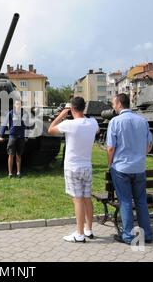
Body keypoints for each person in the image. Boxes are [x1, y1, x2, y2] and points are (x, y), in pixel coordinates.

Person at [48, 97, 99, 243]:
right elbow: (96, 131)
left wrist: (62, 114)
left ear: (72, 109)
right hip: (87, 166)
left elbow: (50, 130)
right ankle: (89, 230)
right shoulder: (93, 122)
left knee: (77, 200)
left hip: (72, 167)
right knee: (87, 198)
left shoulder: (68, 124)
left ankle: (79, 233)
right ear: (84, 108)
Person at [107, 93, 153, 245]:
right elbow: (149, 145)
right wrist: (140, 155)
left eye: (114, 103)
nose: (113, 106)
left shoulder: (115, 121)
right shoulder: (142, 120)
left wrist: (110, 164)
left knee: (126, 201)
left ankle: (128, 236)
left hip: (121, 168)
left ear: (119, 104)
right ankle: (146, 235)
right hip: (139, 168)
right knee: (141, 201)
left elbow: (110, 148)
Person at [0, 100, 29, 178]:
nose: (18, 105)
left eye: (19, 104)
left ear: (21, 105)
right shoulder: (10, 113)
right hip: (12, 136)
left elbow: (27, 126)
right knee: (11, 155)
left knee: (18, 155)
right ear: (14, 105)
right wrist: (1, 135)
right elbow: (4, 124)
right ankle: (10, 173)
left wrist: (26, 136)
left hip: (21, 137)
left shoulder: (24, 114)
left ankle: (18, 172)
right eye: (17, 104)